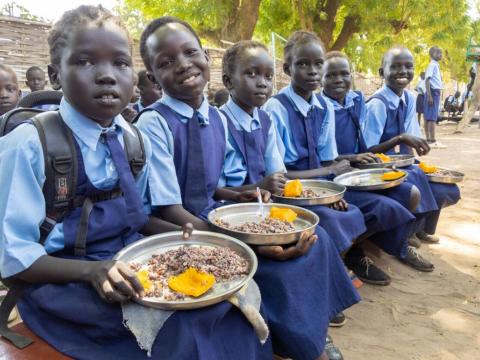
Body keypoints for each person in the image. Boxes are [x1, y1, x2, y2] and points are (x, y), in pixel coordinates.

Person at [0, 6, 272, 360]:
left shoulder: (130, 139)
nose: (107, 76)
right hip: (61, 280)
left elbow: (136, 217)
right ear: (55, 75)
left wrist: (194, 237)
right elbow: (13, 258)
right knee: (184, 327)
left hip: (128, 259)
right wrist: (91, 271)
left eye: (120, 63)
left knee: (232, 297)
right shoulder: (31, 145)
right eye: (85, 62)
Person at [218, 40, 361, 360]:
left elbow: (278, 177)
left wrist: (321, 196)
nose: (262, 83)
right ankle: (302, 342)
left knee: (318, 235)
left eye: (268, 76)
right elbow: (215, 188)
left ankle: (317, 325)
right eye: (251, 74)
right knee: (286, 268)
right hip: (229, 209)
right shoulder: (219, 123)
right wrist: (260, 185)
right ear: (228, 81)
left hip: (262, 204)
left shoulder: (263, 121)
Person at [321, 51, 433, 279]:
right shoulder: (320, 108)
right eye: (330, 75)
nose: (339, 80)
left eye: (344, 74)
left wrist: (363, 158)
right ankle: (354, 253)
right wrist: (352, 157)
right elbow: (322, 155)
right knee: (383, 207)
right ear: (319, 79)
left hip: (357, 170)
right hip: (333, 174)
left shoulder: (356, 101)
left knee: (409, 192)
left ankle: (398, 242)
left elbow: (365, 144)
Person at [263, 31, 367, 257]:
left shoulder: (324, 106)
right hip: (288, 190)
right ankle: (343, 262)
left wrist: (331, 193)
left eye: (319, 64)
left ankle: (349, 256)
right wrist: (328, 177)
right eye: (302, 64)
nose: (312, 71)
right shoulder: (275, 109)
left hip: (318, 185)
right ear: (287, 69)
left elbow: (327, 157)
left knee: (356, 208)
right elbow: (279, 177)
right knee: (331, 218)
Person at [364, 46, 460, 246]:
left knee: (445, 188)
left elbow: (411, 136)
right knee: (413, 184)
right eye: (395, 66)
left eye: (408, 66)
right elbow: (368, 150)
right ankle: (401, 236)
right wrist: (400, 139)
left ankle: (419, 228)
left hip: (400, 162)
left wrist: (418, 145)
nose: (403, 71)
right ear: (382, 72)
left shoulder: (408, 98)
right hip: (377, 166)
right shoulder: (377, 104)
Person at [424, 46, 444, 147]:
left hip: (434, 91)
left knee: (430, 117)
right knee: (431, 117)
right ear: (432, 54)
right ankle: (431, 139)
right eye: (438, 53)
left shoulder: (435, 65)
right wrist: (430, 96)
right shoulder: (432, 65)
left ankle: (429, 138)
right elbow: (427, 80)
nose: (441, 55)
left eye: (441, 53)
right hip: (432, 92)